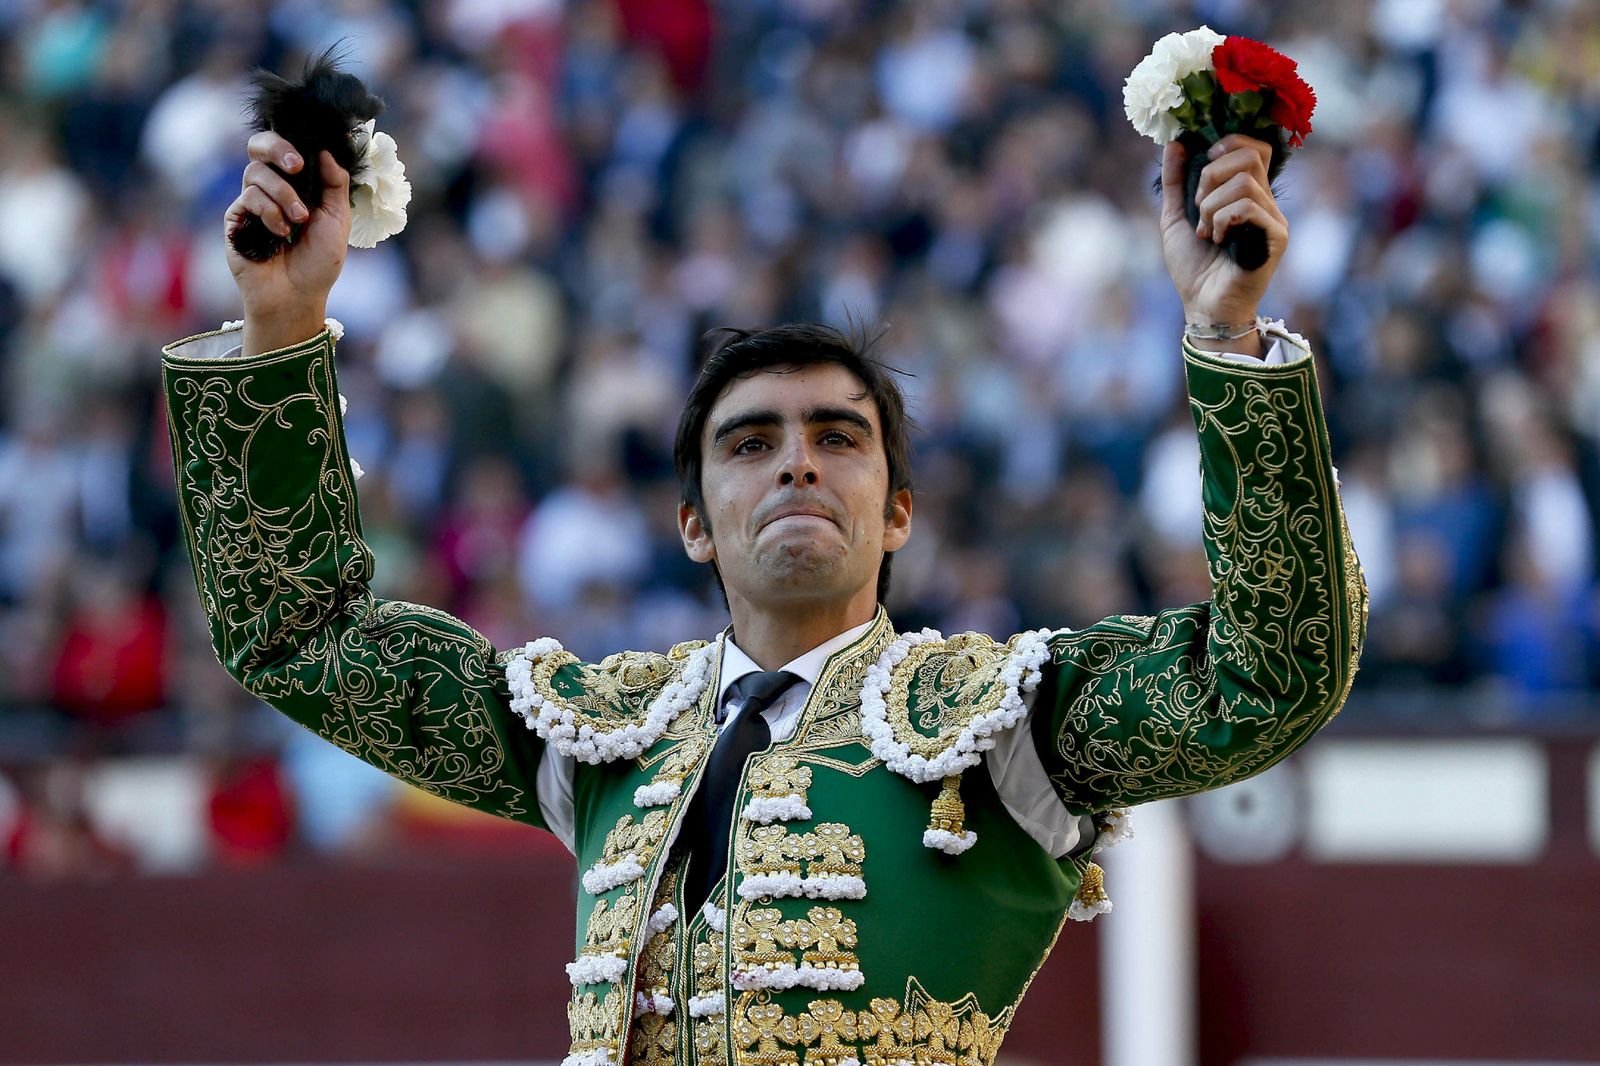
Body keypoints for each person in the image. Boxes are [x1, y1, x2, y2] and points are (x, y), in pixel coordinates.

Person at [161, 128, 1366, 1066]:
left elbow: (1266, 673)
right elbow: (300, 637)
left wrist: (1228, 338)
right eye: (748, 444)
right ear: (693, 521)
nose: (795, 461)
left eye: (838, 437)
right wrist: (280, 323)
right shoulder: (603, 734)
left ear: (898, 511)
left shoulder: (999, 725)